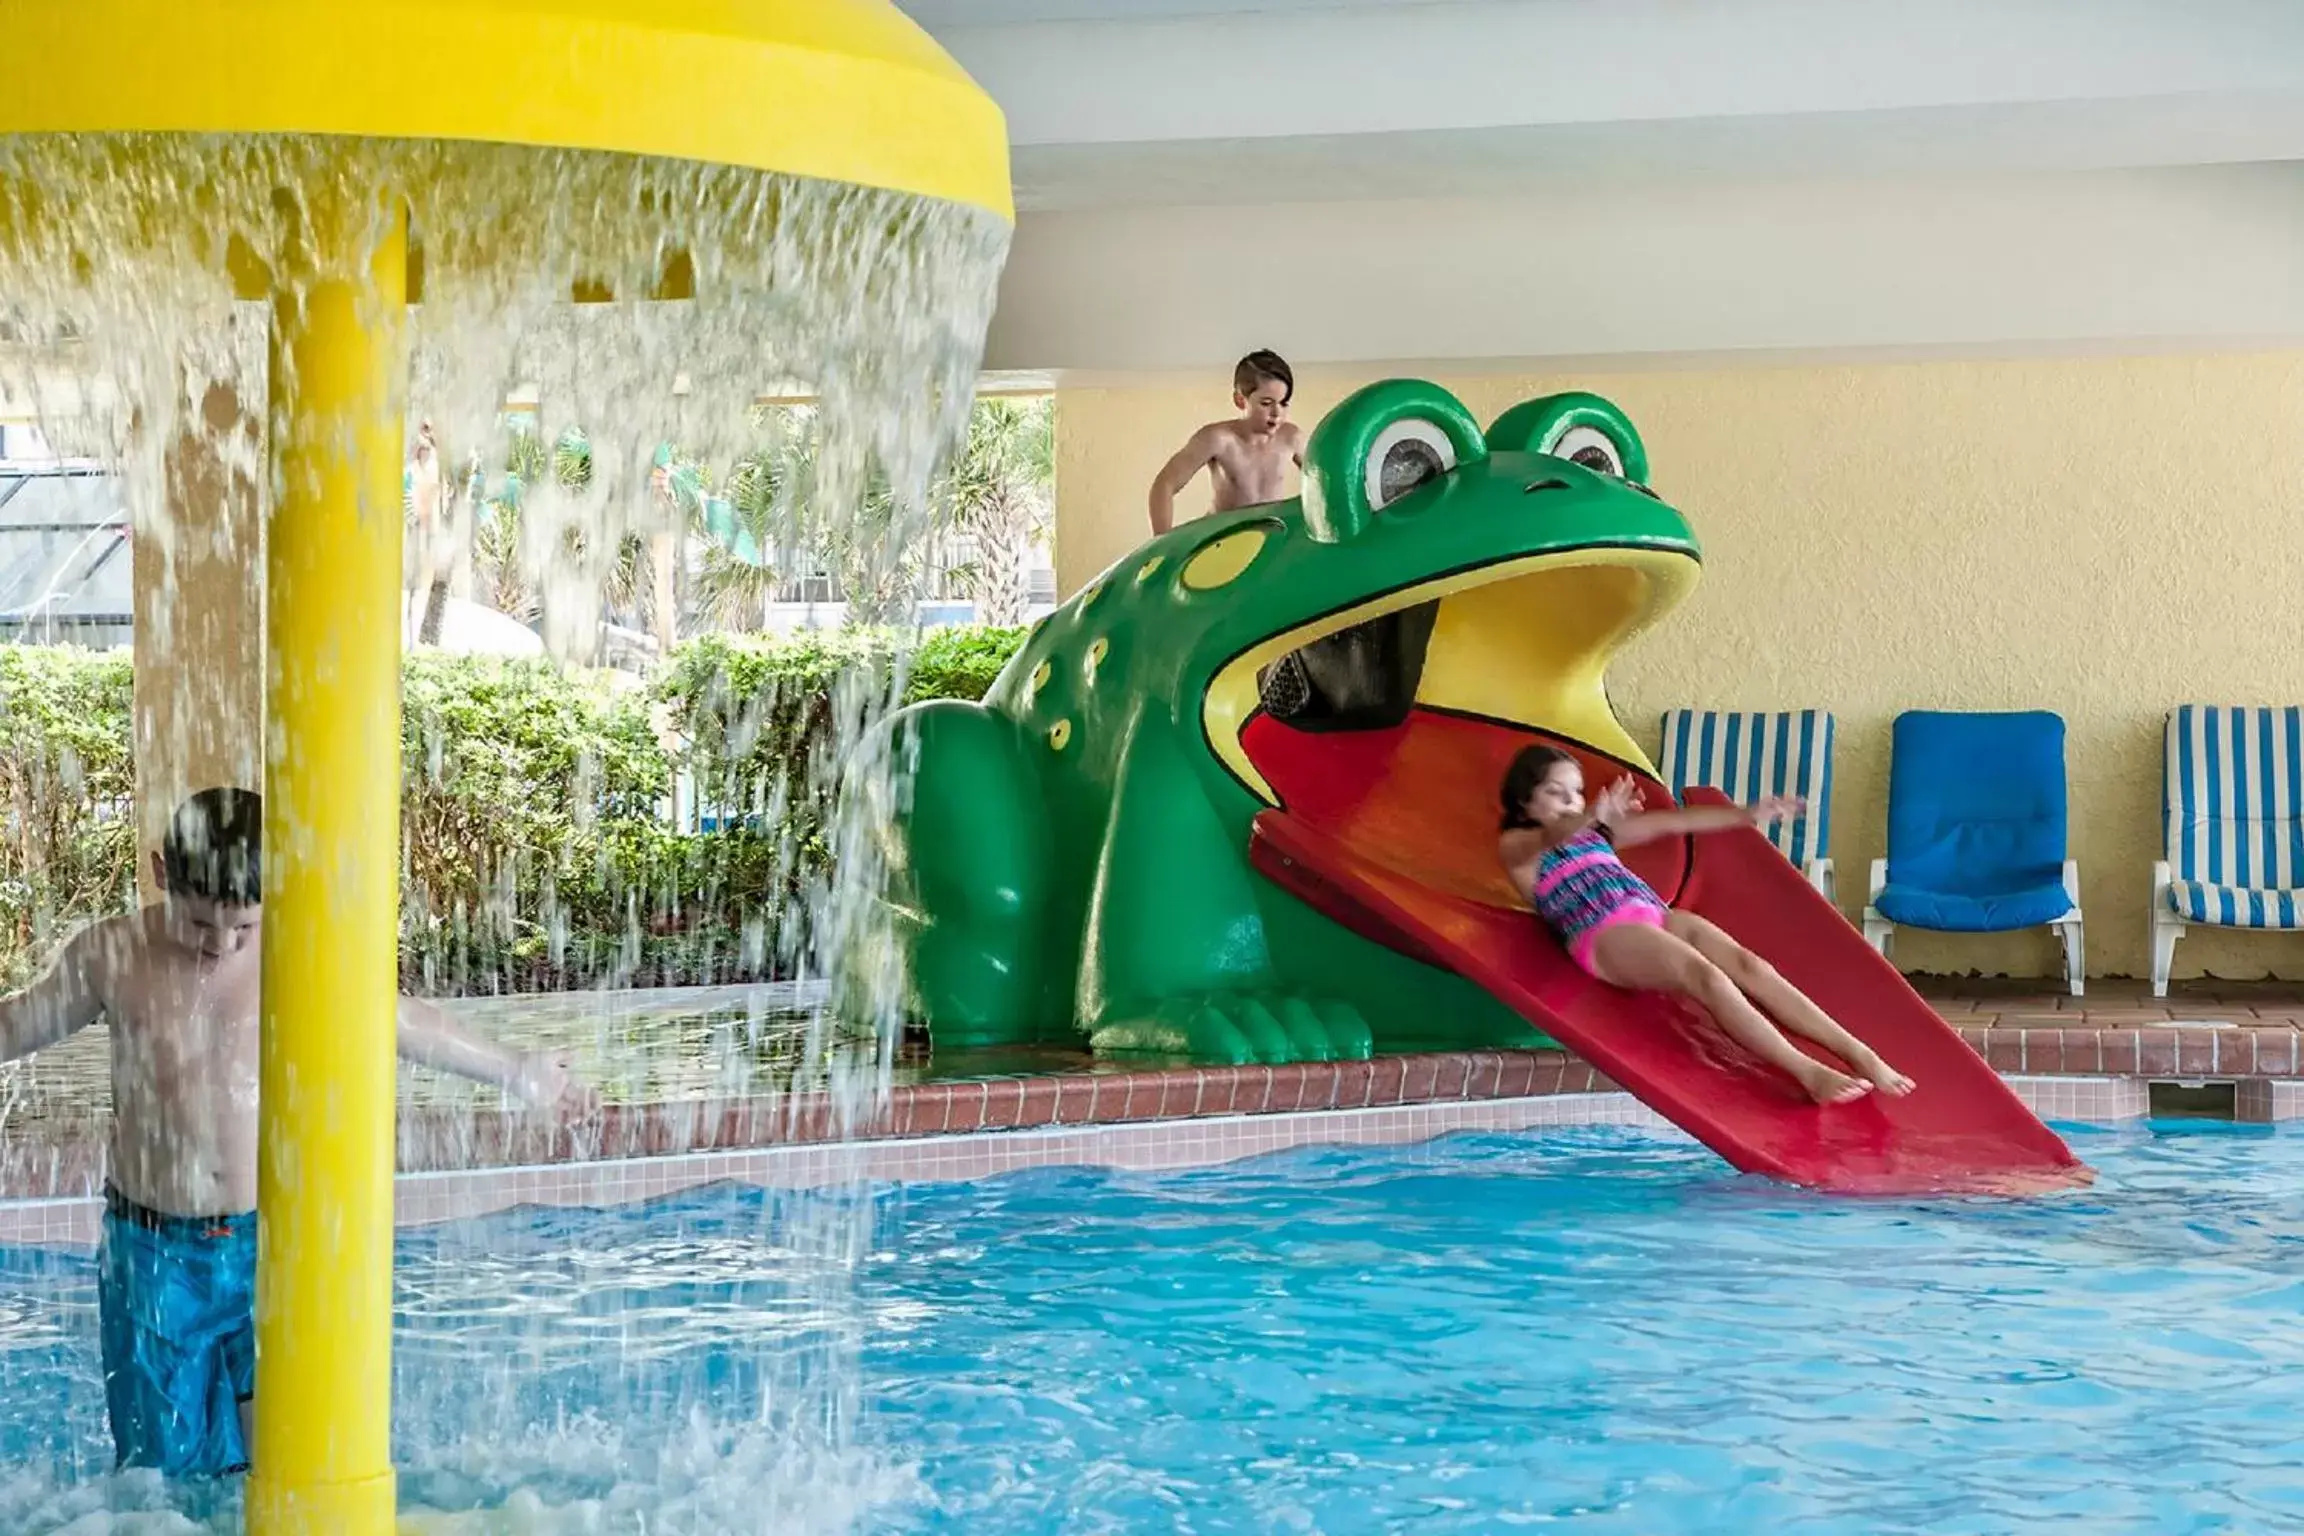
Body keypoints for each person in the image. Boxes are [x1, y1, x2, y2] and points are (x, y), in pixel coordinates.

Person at [0, 787, 595, 1480]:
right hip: (154, 1251)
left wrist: (517, 1071)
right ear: (163, 874)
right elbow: (20, 1022)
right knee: (160, 1474)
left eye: (244, 929)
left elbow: (399, 1021)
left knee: (290, 1460)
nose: (220, 945)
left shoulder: (300, 954)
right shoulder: (112, 955)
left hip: (273, 1246)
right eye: (200, 925)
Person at [1496, 746, 1915, 1106]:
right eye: (1555, 792)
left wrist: (1746, 813)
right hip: (1603, 933)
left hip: (1652, 912)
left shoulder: (1598, 833)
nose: (1569, 801)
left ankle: (1860, 1053)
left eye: (1576, 792)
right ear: (1524, 801)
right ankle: (1808, 1073)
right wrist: (1590, 813)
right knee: (1706, 977)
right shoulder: (1519, 846)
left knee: (1753, 966)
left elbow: (1677, 823)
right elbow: (1555, 833)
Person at [1146, 349, 1307, 535]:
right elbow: (1164, 484)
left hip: (1268, 538)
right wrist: (1162, 542)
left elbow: (1327, 482)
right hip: (1222, 538)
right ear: (1240, 400)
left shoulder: (1292, 438)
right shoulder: (1217, 438)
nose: (1277, 413)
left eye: (1283, 403)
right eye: (1266, 403)